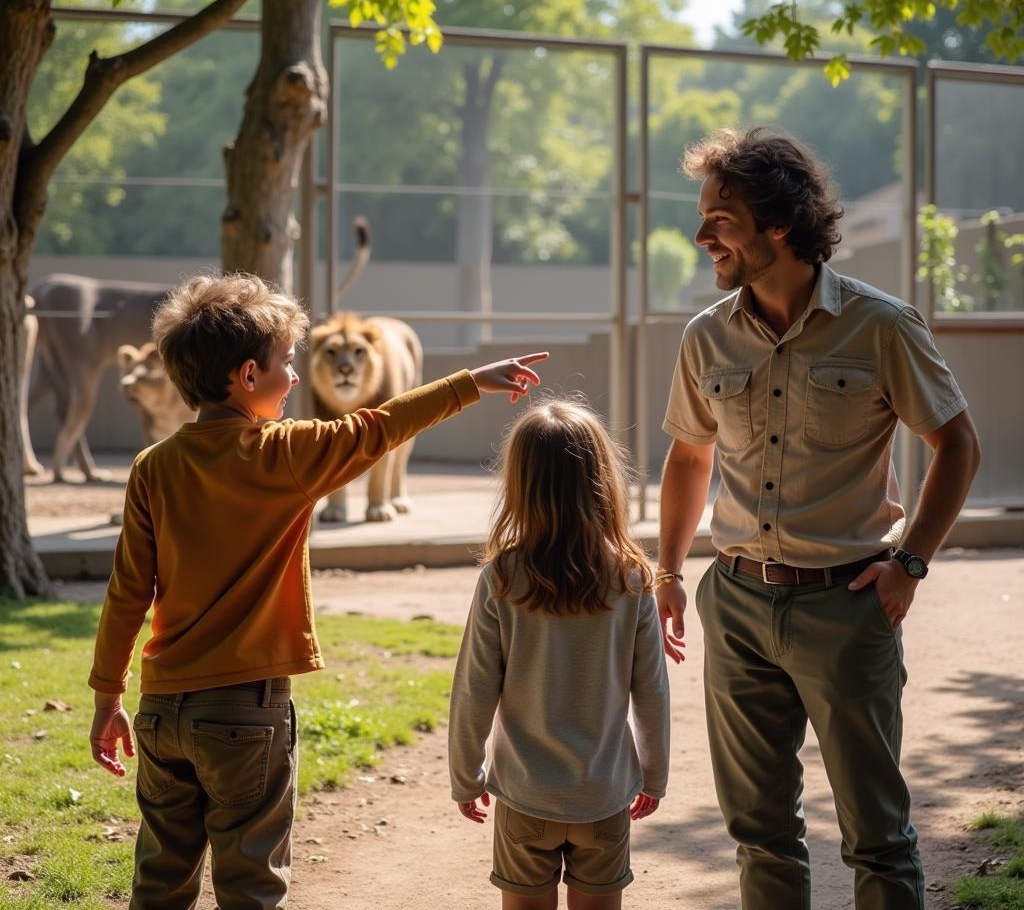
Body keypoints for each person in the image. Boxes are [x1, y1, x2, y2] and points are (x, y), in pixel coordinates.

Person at [86, 272, 548, 910]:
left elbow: (127, 594)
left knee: (160, 880)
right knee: (251, 883)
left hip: (161, 709)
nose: (297, 376)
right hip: (247, 713)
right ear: (248, 376)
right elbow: (381, 426)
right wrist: (472, 383)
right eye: (287, 363)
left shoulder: (152, 467)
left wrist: (109, 694)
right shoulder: (288, 454)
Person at [657, 128, 981, 910]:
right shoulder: (707, 337)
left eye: (720, 218)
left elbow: (957, 445)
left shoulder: (882, 326)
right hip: (735, 604)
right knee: (758, 833)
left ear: (779, 222)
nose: (701, 236)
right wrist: (669, 573)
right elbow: (690, 458)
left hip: (847, 605)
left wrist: (910, 563)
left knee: (878, 836)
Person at [449, 399, 672, 910]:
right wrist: (654, 774)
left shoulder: (501, 579)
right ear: (603, 480)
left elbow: (474, 688)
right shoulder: (632, 578)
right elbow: (652, 690)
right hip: (604, 795)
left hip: (525, 795)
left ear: (520, 485)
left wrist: (466, 775)